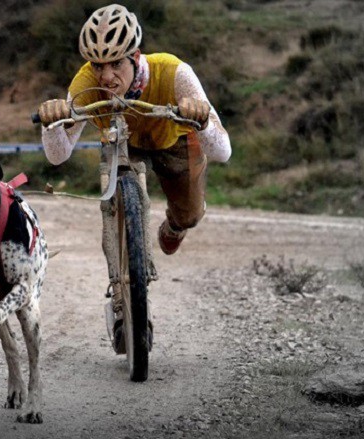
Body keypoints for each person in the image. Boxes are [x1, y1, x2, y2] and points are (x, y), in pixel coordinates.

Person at [38, 3, 231, 257]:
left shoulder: (175, 73)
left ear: (136, 57)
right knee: (115, 213)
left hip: (173, 140)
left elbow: (223, 152)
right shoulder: (84, 84)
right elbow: (58, 155)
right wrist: (51, 125)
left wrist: (203, 121)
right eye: (97, 65)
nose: (106, 76)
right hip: (121, 139)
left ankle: (174, 226)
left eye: (116, 63)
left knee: (190, 215)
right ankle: (121, 287)